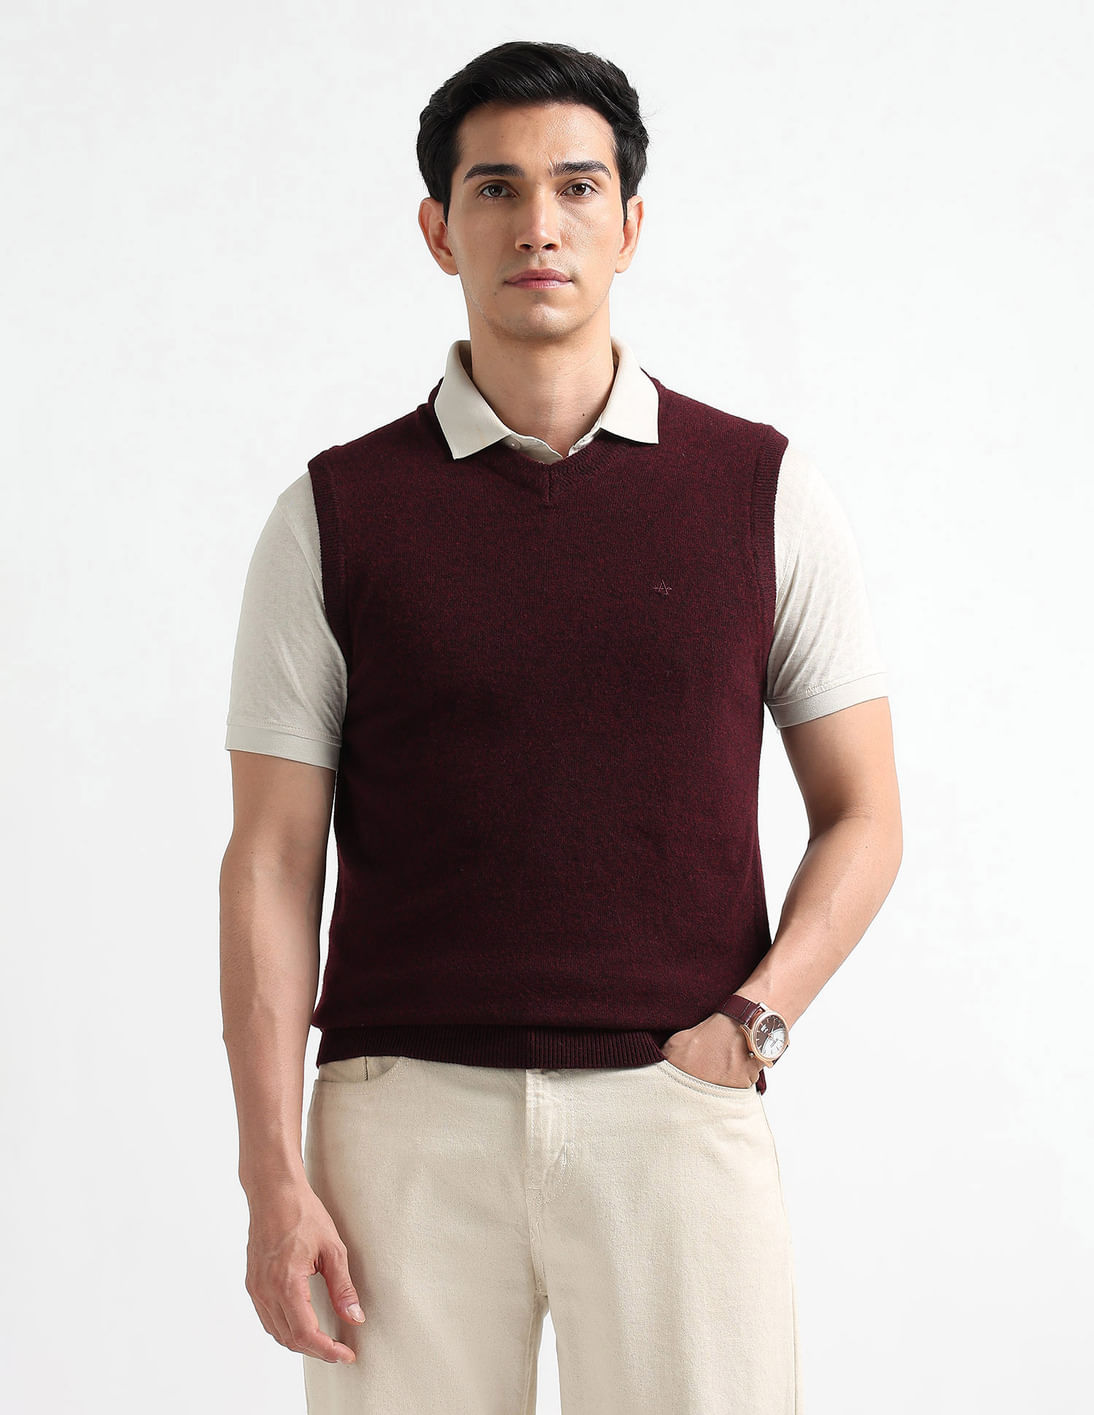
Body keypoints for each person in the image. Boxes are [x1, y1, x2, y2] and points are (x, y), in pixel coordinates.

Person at [219, 38, 902, 1414]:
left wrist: (752, 1026)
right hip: (402, 1122)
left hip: (677, 1108)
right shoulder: (333, 515)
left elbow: (865, 814)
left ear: (629, 225)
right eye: (497, 188)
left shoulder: (761, 491)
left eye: (577, 187)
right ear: (438, 230)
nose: (540, 223)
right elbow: (272, 860)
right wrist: (271, 1175)